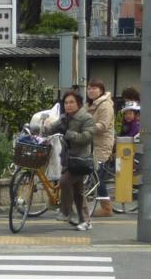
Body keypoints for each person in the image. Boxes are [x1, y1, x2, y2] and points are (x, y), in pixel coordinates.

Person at [36, 88, 97, 229]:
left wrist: (68, 133)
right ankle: (85, 221)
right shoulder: (65, 117)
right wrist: (37, 129)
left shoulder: (86, 118)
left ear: (78, 104)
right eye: (66, 102)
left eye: (71, 102)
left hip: (81, 159)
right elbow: (50, 129)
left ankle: (65, 211)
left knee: (64, 182)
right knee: (78, 191)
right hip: (69, 160)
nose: (68, 105)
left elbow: (86, 138)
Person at [86, 78, 116, 218]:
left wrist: (86, 128)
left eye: (94, 88)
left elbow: (103, 125)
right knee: (92, 174)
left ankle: (106, 208)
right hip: (90, 143)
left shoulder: (105, 106)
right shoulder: (90, 105)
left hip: (102, 144)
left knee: (97, 176)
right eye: (89, 88)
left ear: (101, 90)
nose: (91, 90)